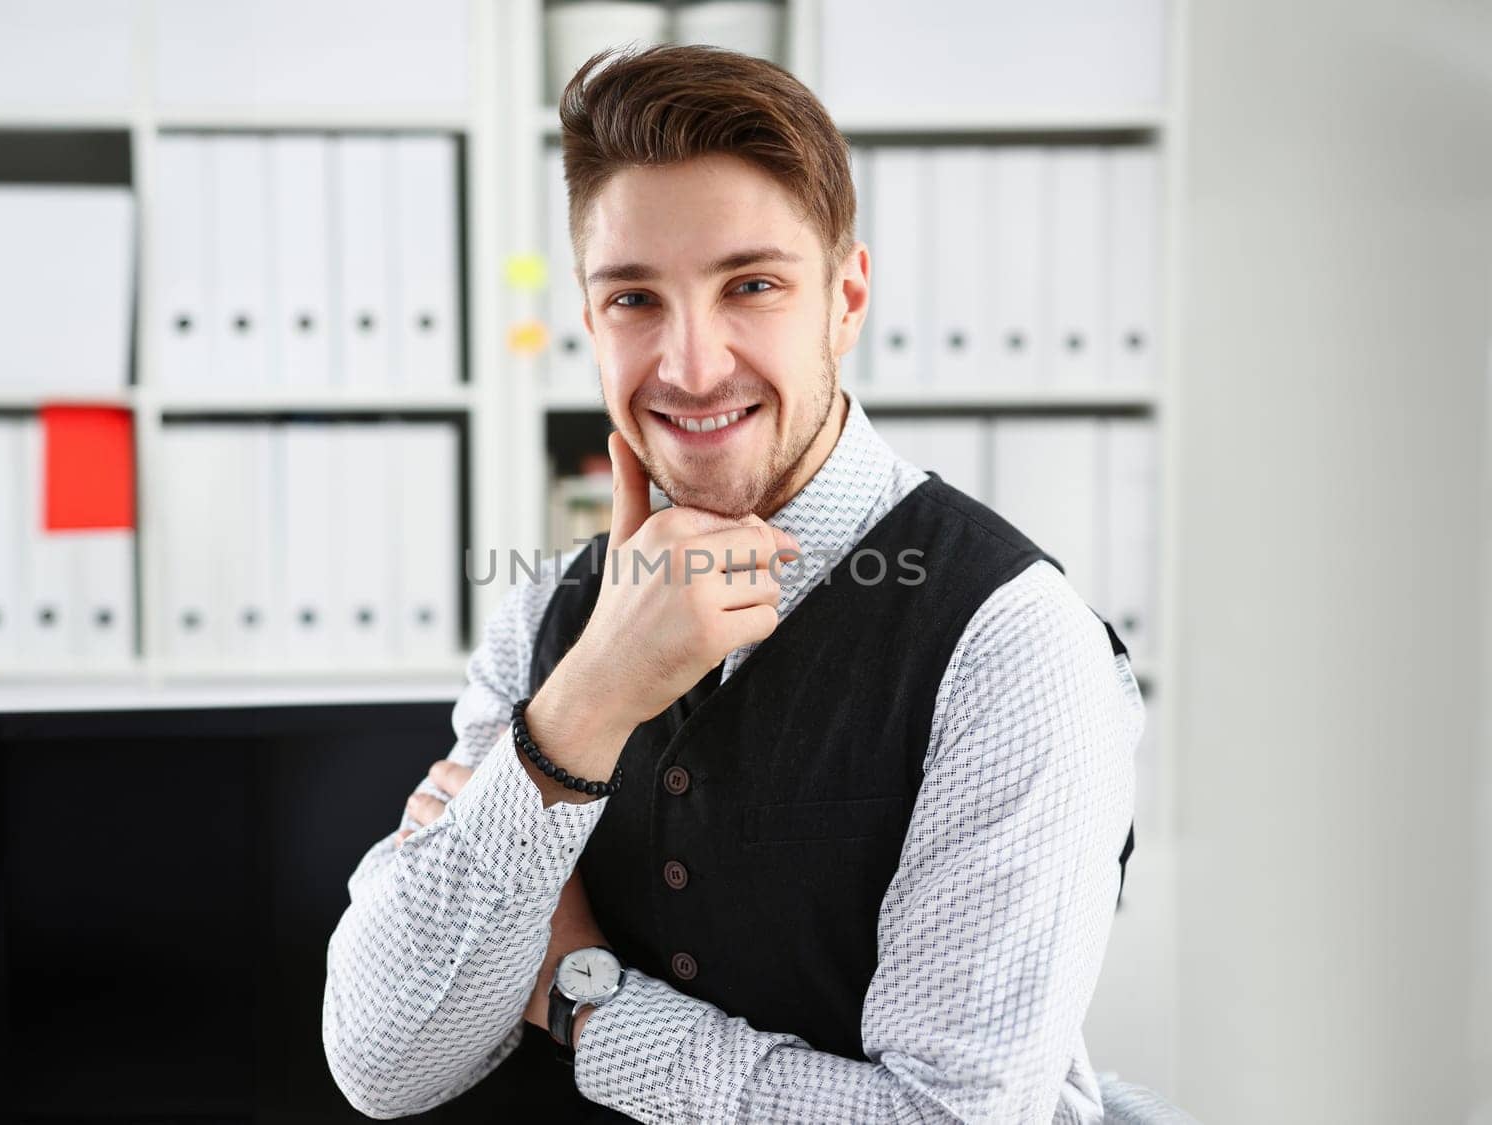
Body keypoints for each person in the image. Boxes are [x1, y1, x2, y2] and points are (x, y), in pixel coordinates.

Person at [323, 44, 1142, 1124]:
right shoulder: (545, 615)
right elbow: (383, 1064)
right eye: (634, 300)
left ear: (844, 298)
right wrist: (582, 707)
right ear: (587, 317)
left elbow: (949, 1119)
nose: (693, 366)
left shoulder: (1009, 644)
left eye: (750, 285)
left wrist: (585, 1002)